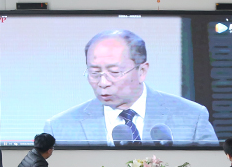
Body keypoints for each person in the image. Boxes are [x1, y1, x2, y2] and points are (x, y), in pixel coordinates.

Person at [43, 29, 219, 146]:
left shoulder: (192, 117)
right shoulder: (60, 127)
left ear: (142, 71)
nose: (103, 82)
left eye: (114, 72)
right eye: (94, 72)